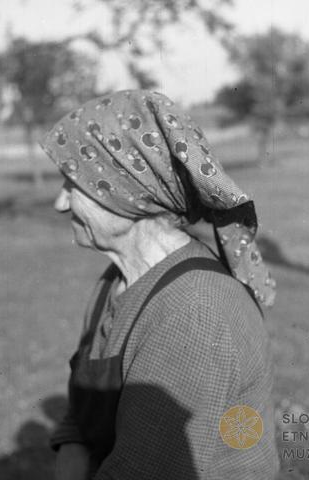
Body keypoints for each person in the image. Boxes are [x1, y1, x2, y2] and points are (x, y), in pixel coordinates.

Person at [40, 90, 279, 479]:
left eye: (73, 183)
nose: (60, 203)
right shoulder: (113, 281)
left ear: (127, 191)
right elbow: (80, 418)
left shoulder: (194, 312)